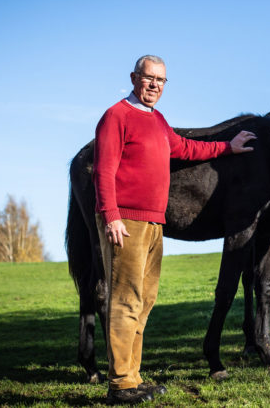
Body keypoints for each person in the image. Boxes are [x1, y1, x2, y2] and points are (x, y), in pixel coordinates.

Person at [93, 55, 256, 404]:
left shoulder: (158, 121)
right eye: (149, 78)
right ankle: (120, 384)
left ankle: (133, 378)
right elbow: (104, 170)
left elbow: (186, 148)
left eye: (161, 80)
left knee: (145, 300)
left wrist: (228, 146)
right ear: (134, 78)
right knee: (125, 300)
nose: (154, 85)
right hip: (126, 221)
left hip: (154, 222)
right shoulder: (116, 116)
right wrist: (111, 216)